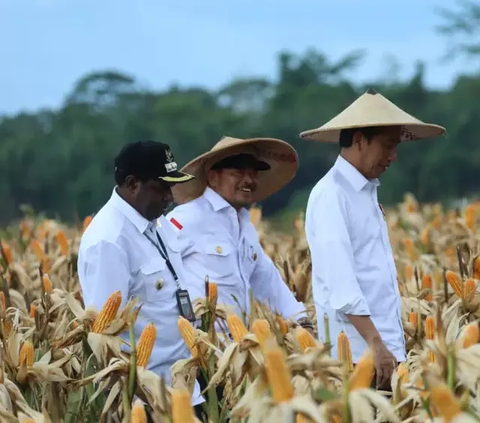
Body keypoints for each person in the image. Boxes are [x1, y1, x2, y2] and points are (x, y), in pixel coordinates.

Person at [299, 89, 446, 390]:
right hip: (356, 355)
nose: (393, 156)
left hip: (384, 350)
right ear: (359, 140)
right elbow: (342, 282)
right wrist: (375, 344)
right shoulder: (332, 195)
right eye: (388, 146)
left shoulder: (366, 192)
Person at [77, 140, 205, 421]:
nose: (170, 197)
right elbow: (104, 335)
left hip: (184, 389)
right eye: (161, 187)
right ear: (132, 183)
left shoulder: (155, 223)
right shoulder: (108, 241)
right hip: (144, 401)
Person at [166, 136, 314, 332]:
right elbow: (157, 276)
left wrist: (301, 321)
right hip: (197, 347)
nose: (248, 180)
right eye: (238, 173)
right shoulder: (187, 218)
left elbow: (268, 282)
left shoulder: (245, 227)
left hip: (236, 349)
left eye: (253, 174)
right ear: (213, 177)